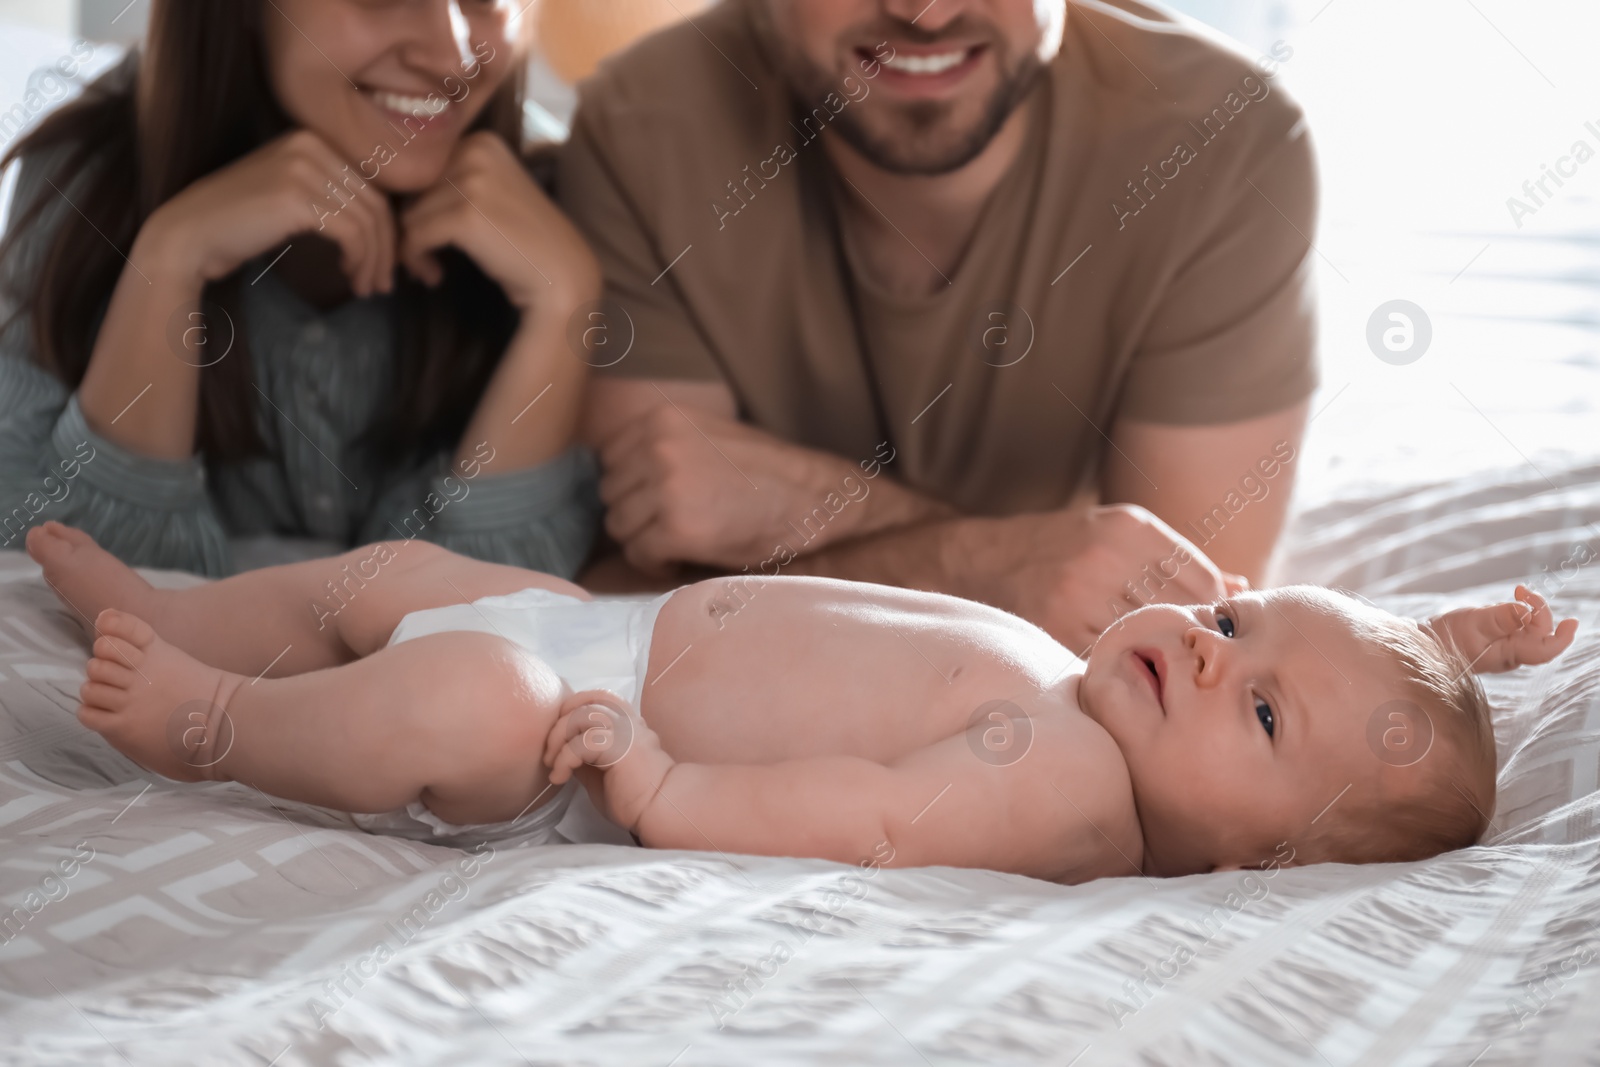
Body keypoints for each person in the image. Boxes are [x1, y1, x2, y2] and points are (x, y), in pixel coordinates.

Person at [27, 520, 1579, 881]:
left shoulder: (1075, 792)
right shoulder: (1122, 706)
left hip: (574, 726)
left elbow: (874, 815)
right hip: (613, 623)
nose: (1217, 643)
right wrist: (1452, 635)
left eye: (1256, 713)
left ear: (1259, 866)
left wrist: (658, 786)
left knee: (459, 703)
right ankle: (172, 605)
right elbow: (1323, 667)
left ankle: (214, 712)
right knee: (384, 576)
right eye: (1233, 614)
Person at [559, 0, 1318, 654]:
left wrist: (815, 509)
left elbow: (1176, 645)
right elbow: (632, 613)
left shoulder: (1226, 143)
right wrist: (1011, 564)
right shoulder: (640, 127)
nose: (927, 14)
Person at [0, 0, 599, 577]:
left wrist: (566, 304)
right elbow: (84, 582)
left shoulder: (574, 193)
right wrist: (171, 259)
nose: (452, 54)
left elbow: (471, 613)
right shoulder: (85, 177)